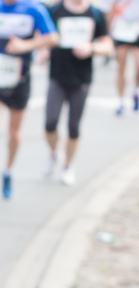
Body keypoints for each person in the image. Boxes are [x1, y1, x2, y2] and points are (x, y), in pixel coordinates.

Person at [0, 0, 56, 200]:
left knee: (14, 133)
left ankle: (8, 171)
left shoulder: (33, 8)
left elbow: (53, 38)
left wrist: (26, 45)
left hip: (20, 77)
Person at [43, 0, 112, 182]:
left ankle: (68, 166)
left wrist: (92, 48)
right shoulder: (55, 10)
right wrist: (44, 51)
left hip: (81, 78)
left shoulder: (95, 14)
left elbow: (108, 45)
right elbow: (43, 35)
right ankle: (54, 153)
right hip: (57, 75)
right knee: (50, 122)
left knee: (74, 126)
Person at [114, 0, 139, 113]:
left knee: (138, 65)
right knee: (121, 67)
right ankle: (121, 100)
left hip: (137, 28)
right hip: (122, 29)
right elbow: (112, 7)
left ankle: (136, 91)